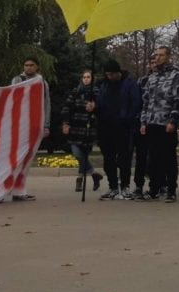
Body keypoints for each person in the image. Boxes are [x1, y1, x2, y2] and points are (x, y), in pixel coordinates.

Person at [139, 46, 179, 202]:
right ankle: (154, 189)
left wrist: (173, 121)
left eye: (161, 55)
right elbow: (146, 102)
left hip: (166, 123)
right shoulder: (152, 77)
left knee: (168, 158)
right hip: (152, 122)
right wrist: (143, 122)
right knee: (153, 158)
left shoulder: (175, 75)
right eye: (156, 55)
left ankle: (171, 190)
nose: (157, 58)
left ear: (168, 57)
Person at [95, 59, 141, 199]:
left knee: (124, 158)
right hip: (105, 126)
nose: (110, 77)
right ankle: (113, 186)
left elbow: (136, 102)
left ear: (118, 72)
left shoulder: (129, 83)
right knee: (108, 158)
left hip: (123, 127)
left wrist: (127, 119)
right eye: (107, 74)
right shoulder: (104, 85)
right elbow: (100, 103)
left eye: (112, 74)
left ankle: (125, 186)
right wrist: (94, 108)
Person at [8, 56, 51, 201]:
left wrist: (46, 125)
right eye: (26, 65)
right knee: (15, 158)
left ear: (37, 67)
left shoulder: (42, 83)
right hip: (19, 124)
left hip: (34, 124)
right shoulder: (18, 80)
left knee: (27, 158)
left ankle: (20, 190)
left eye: (31, 65)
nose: (28, 68)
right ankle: (9, 188)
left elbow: (46, 104)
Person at [61, 69, 102, 194]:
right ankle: (94, 174)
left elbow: (102, 109)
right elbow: (67, 107)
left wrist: (94, 108)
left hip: (87, 128)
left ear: (92, 79)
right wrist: (65, 123)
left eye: (89, 77)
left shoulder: (96, 92)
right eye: (84, 77)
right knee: (78, 154)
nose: (86, 79)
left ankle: (79, 179)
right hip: (74, 127)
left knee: (83, 154)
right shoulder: (75, 91)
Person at [132, 56, 158, 200]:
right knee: (141, 156)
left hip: (157, 122)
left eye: (156, 62)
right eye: (152, 62)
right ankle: (139, 185)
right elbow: (139, 101)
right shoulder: (142, 81)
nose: (154, 64)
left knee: (156, 155)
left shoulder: (164, 79)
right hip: (143, 122)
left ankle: (158, 183)